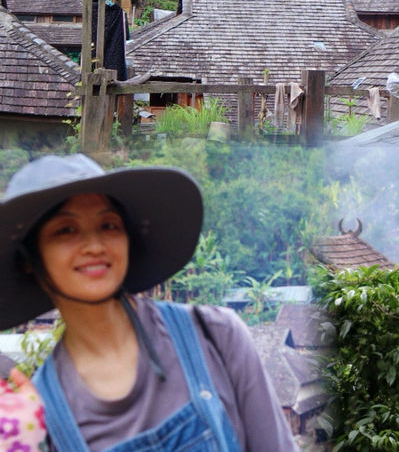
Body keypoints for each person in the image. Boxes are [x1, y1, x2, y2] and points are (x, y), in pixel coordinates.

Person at [0, 154, 298, 452]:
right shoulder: (44, 416)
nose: (94, 246)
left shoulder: (215, 336)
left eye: (109, 225)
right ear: (29, 258)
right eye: (66, 230)